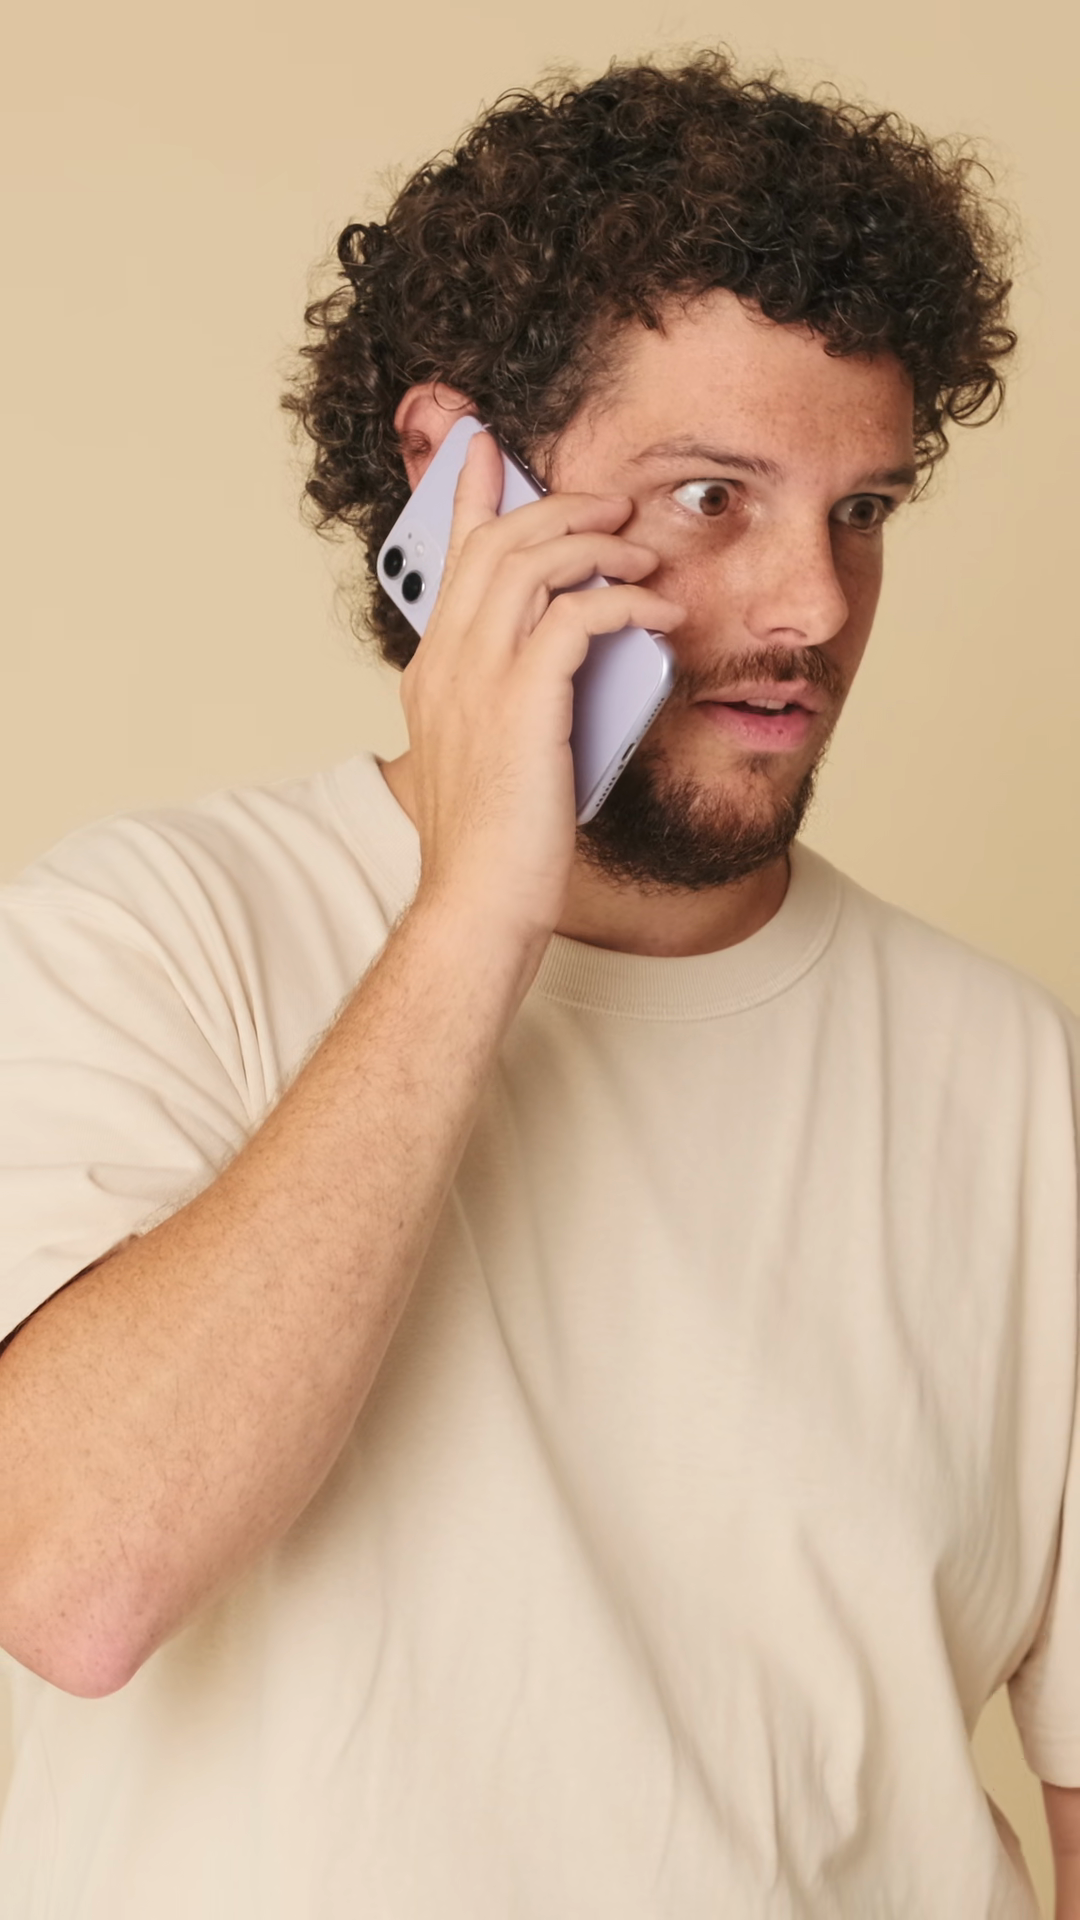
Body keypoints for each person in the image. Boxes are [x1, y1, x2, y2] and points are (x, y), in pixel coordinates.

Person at [0, 50, 1076, 1919]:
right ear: (459, 478)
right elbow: (77, 1580)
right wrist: (478, 911)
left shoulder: (1011, 1078)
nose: (814, 606)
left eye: (864, 509)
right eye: (713, 495)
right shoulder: (146, 937)